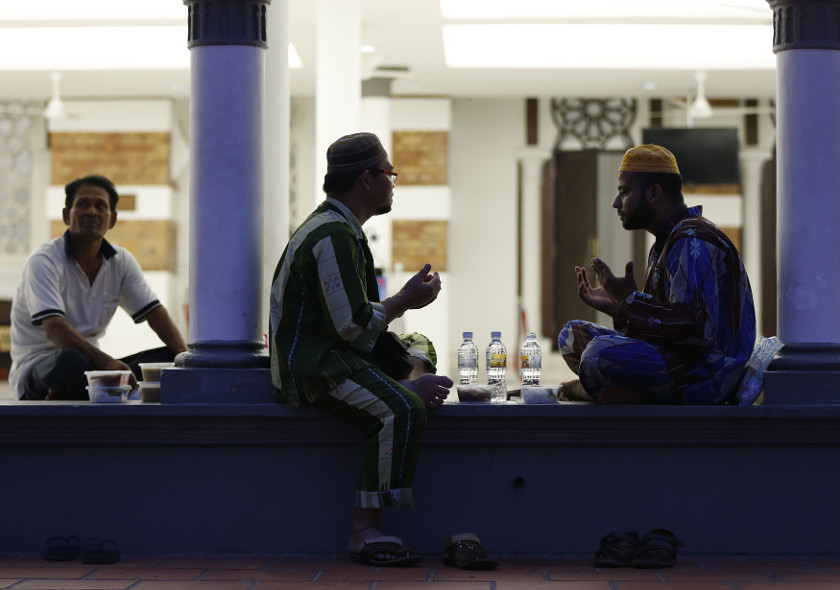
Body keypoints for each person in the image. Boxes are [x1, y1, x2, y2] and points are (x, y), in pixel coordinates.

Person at [269, 132, 454, 567]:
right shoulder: (332, 235)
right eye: (390, 173)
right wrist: (404, 300)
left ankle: (402, 382)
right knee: (402, 411)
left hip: (336, 351)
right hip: (314, 366)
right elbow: (351, 326)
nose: (394, 182)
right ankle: (364, 529)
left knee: (417, 343)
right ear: (368, 179)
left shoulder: (339, 228)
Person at [557, 144, 756, 404]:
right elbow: (663, 329)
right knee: (571, 336)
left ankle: (629, 394)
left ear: (653, 193)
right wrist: (621, 310)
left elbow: (697, 329)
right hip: (679, 361)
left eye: (624, 192)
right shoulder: (666, 241)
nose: (616, 203)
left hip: (707, 374)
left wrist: (631, 301)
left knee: (597, 355)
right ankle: (635, 393)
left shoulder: (690, 239)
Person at [9, 174, 188, 401]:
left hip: (94, 366)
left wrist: (183, 358)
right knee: (70, 362)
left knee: (168, 359)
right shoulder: (44, 261)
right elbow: (54, 328)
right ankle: (90, 388)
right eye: (83, 204)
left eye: (100, 206)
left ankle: (84, 391)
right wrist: (106, 363)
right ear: (67, 215)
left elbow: (154, 312)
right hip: (41, 369)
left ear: (112, 219)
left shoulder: (121, 262)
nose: (92, 211)